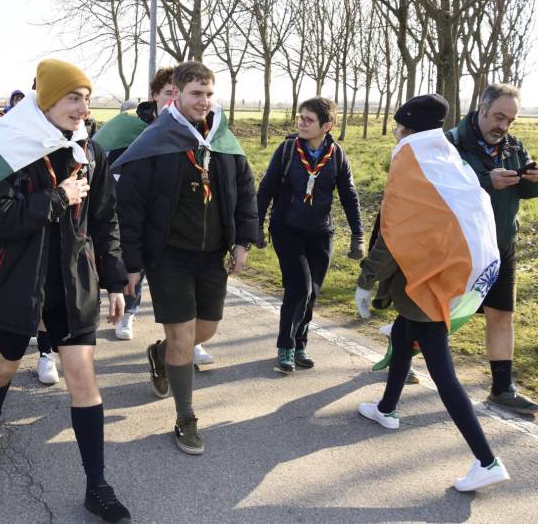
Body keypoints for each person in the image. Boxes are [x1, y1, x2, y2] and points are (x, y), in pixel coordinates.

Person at [0, 59, 131, 522]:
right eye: (74, 98)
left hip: (72, 283)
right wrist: (55, 198)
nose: (83, 108)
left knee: (82, 376)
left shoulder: (91, 152)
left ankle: (97, 484)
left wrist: (116, 281)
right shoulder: (9, 147)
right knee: (5, 365)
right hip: (19, 281)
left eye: (87, 99)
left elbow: (104, 219)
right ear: (49, 100)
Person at [356, 94, 510, 492]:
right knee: (404, 339)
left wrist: (366, 279)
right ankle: (387, 409)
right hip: (438, 276)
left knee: (443, 375)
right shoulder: (446, 157)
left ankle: (486, 459)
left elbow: (394, 233)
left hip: (426, 285)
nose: (395, 132)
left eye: (397, 126)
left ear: (406, 127)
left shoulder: (410, 163)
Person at [114, 61, 259, 456]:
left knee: (205, 330)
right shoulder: (155, 142)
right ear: (176, 94)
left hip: (213, 255)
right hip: (168, 257)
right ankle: (186, 417)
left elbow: (245, 194)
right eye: (197, 93)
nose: (205, 101)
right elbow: (130, 209)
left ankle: (160, 354)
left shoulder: (224, 140)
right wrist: (130, 264)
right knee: (182, 336)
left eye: (210, 94)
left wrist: (244, 241)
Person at [446, 83, 538, 416]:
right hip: (458, 244)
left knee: (502, 314)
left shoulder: (512, 146)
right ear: (482, 110)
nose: (503, 126)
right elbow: (441, 187)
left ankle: (502, 388)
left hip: (501, 244)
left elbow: (528, 192)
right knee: (437, 312)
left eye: (511, 120)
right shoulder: (450, 143)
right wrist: (485, 179)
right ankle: (402, 358)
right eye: (499, 117)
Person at [254, 97, 364, 374]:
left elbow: (350, 197)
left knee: (312, 292)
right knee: (299, 287)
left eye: (308, 119)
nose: (301, 123)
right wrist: (254, 225)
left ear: (326, 125)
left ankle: (301, 343)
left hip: (320, 233)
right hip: (286, 229)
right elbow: (266, 188)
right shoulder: (287, 150)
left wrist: (357, 236)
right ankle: (286, 346)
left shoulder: (337, 155)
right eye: (300, 117)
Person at [93, 67, 177, 345]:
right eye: (168, 93)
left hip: (167, 213)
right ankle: (127, 308)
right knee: (131, 261)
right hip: (129, 206)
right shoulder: (129, 127)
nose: (173, 99)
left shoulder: (191, 132)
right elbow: (105, 160)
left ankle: (184, 336)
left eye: (179, 93)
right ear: (154, 95)